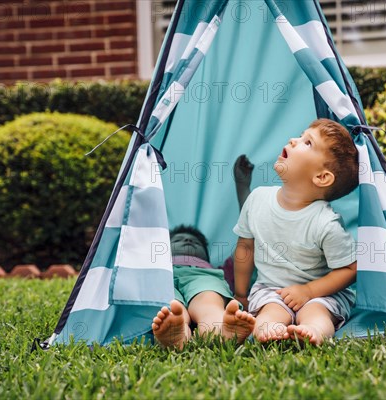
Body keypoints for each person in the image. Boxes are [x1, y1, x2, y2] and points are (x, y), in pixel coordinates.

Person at [233, 118, 359, 345]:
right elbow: (245, 247)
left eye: (307, 143)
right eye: (301, 135)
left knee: (316, 313)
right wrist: (241, 293)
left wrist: (309, 291)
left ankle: (313, 332)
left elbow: (350, 269)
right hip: (272, 291)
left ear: (321, 177)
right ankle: (270, 331)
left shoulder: (325, 222)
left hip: (321, 293)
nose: (293, 140)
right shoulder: (257, 199)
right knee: (270, 312)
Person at [151, 156, 257, 349]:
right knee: (171, 304)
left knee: (208, 298)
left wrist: (242, 187)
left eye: (195, 242)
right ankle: (178, 331)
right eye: (178, 240)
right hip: (164, 277)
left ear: (206, 257)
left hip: (203, 277)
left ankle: (218, 329)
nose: (187, 240)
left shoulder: (216, 270)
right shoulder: (156, 264)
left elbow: (249, 237)